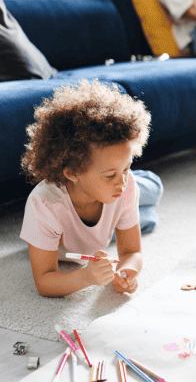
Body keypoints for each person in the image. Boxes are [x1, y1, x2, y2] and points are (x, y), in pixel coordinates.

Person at [20, 79, 152, 298]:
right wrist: (86, 277)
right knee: (147, 212)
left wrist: (127, 271)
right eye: (110, 175)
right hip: (88, 231)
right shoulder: (43, 204)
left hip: (113, 207)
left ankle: (148, 183)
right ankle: (147, 203)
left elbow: (132, 252)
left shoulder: (126, 186)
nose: (121, 182)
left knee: (149, 189)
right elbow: (44, 281)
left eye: (127, 168)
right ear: (72, 172)